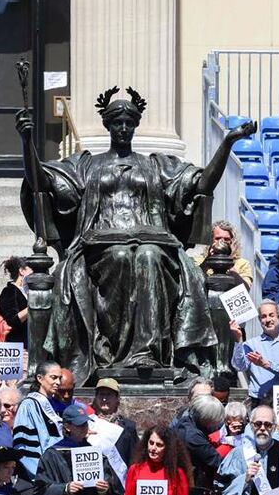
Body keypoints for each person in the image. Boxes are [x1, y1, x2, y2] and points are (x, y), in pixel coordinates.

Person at [16, 94, 253, 388]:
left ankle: (147, 355)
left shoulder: (155, 166)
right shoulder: (87, 165)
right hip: (99, 245)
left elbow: (202, 184)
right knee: (119, 257)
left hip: (154, 243)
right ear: (108, 126)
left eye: (129, 123)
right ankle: (111, 354)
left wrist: (227, 143)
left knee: (148, 257)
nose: (124, 128)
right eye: (117, 123)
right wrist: (26, 142)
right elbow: (41, 181)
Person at [229, 299, 279, 403]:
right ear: (260, 320)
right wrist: (238, 340)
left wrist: (266, 364)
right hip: (258, 400)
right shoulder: (251, 344)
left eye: (271, 315)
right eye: (263, 316)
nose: (267, 320)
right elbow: (239, 366)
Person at [13, 361, 65, 478]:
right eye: (53, 377)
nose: (58, 382)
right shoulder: (28, 405)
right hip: (40, 475)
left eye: (59, 378)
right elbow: (24, 445)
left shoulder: (56, 405)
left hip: (56, 472)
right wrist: (40, 475)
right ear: (40, 378)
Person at [89, 377, 138, 464]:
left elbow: (134, 458)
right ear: (96, 398)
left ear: (117, 398)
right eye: (101, 394)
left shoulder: (128, 427)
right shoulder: (88, 424)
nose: (104, 399)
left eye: (109, 395)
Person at [196, 220, 254, 287]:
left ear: (232, 241)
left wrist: (229, 260)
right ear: (211, 240)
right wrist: (207, 261)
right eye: (217, 238)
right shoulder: (199, 261)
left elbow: (245, 289)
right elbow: (194, 282)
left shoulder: (243, 264)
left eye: (226, 239)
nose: (222, 242)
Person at [0, 256, 30, 344]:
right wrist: (33, 305)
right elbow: (12, 321)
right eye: (32, 268)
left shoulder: (26, 291)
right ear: (22, 271)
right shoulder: (9, 291)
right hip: (16, 345)